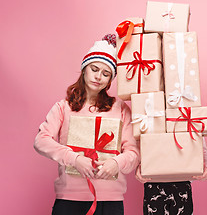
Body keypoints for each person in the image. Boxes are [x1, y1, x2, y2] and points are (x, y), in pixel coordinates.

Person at [34, 34, 139, 215]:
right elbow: (41, 140)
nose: (98, 76)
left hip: (110, 203)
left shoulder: (120, 109)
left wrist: (117, 163)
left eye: (106, 74)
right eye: (94, 69)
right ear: (84, 70)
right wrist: (74, 159)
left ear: (110, 80)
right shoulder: (63, 107)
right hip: (69, 201)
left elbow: (134, 153)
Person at [135, 139, 207, 214]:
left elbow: (200, 148)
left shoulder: (191, 127)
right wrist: (138, 165)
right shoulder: (148, 126)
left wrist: (205, 168)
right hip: (153, 183)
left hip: (182, 184)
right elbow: (140, 143)